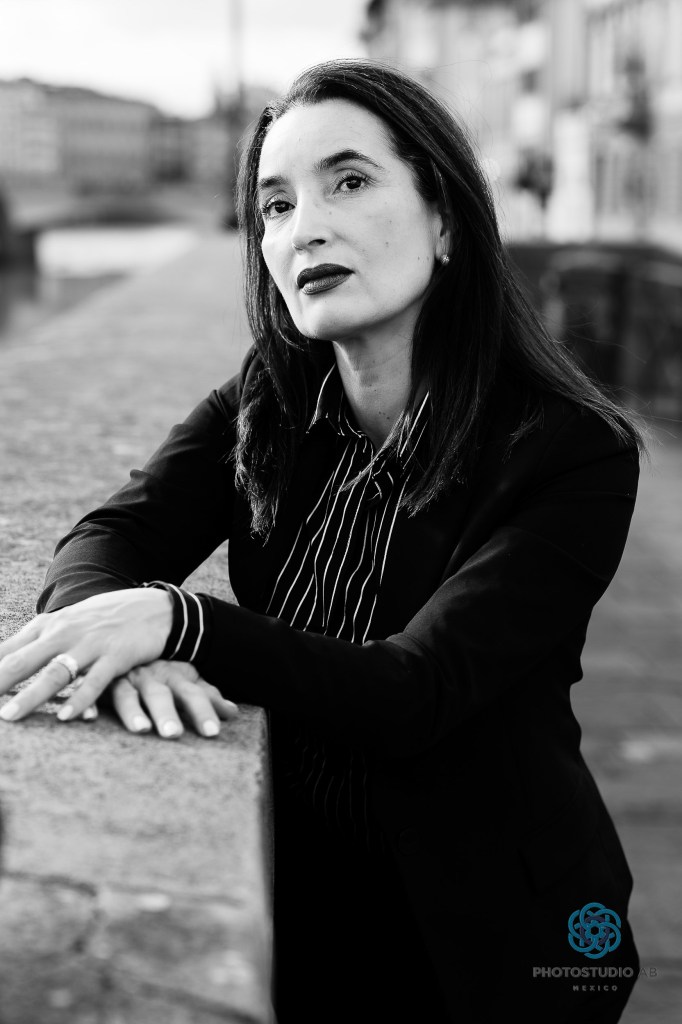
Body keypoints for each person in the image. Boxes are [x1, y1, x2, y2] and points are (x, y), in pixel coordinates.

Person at [0, 59, 645, 1023]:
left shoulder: (572, 453)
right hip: (305, 901)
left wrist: (181, 624)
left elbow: (415, 691)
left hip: (487, 932)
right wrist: (126, 641)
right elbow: (111, 533)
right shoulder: (273, 394)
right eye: (276, 204)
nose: (305, 227)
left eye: (348, 182)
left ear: (445, 219)